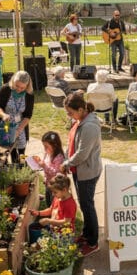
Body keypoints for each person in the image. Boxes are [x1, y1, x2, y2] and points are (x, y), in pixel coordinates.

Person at [61, 93, 102, 257]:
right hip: (80, 170)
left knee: (88, 206)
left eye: (70, 112)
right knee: (85, 205)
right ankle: (86, 234)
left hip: (88, 172)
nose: (68, 116)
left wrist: (66, 163)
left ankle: (93, 243)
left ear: (80, 109)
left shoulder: (90, 126)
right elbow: (72, 143)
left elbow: (82, 154)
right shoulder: (80, 120)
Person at [0, 71, 34, 164]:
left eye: (22, 87)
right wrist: (3, 115)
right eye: (17, 86)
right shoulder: (5, 89)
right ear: (13, 81)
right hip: (5, 124)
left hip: (20, 124)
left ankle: (20, 168)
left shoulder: (29, 94)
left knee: (21, 152)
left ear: (27, 86)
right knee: (7, 151)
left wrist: (19, 130)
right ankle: (8, 168)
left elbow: (28, 115)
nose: (19, 89)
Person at [32, 131, 65, 207]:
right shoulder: (47, 153)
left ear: (55, 145)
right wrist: (39, 162)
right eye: (44, 146)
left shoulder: (59, 158)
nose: (44, 149)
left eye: (46, 146)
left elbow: (56, 173)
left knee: (54, 203)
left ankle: (54, 215)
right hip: (48, 183)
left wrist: (44, 166)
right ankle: (50, 212)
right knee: (48, 199)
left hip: (56, 186)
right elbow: (45, 164)